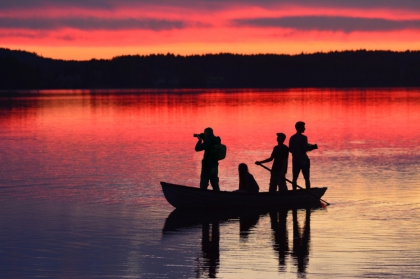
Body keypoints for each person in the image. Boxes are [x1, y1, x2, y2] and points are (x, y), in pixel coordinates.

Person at [289, 121, 317, 190]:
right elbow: (305, 149)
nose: (305, 128)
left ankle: (294, 192)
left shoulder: (292, 138)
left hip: (295, 160)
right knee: (307, 178)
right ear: (300, 128)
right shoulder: (304, 138)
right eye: (303, 127)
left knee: (294, 178)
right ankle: (308, 192)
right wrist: (313, 147)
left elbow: (290, 150)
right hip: (303, 160)